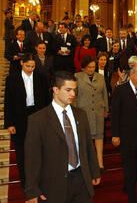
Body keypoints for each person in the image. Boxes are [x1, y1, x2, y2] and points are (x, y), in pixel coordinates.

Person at [24, 70, 101, 203]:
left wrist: (94, 171)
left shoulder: (81, 115)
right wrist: (32, 190)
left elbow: (88, 146)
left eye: (74, 90)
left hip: (81, 181)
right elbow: (32, 158)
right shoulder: (38, 120)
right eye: (68, 90)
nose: (73, 94)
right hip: (53, 185)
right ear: (56, 90)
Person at [4, 53, 49, 191]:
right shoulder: (12, 79)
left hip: (37, 115)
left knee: (39, 149)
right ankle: (25, 182)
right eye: (28, 66)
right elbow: (8, 102)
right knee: (22, 153)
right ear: (21, 63)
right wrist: (9, 123)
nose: (30, 69)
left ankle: (39, 180)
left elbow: (47, 100)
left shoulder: (41, 78)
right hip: (19, 118)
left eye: (33, 66)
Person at [111, 63, 137, 203]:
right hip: (126, 136)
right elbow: (115, 114)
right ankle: (131, 194)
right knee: (129, 165)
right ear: (131, 75)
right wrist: (115, 134)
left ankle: (128, 185)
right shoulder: (121, 90)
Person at [75, 56, 109, 172]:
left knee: (99, 136)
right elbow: (74, 96)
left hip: (98, 111)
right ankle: (87, 163)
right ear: (83, 68)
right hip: (83, 112)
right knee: (85, 138)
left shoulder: (100, 77)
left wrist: (106, 109)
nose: (91, 69)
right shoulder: (77, 77)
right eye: (89, 67)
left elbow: (104, 93)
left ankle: (100, 164)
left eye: (93, 67)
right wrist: (74, 112)